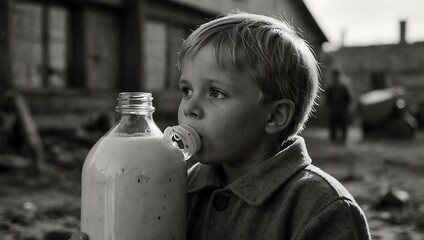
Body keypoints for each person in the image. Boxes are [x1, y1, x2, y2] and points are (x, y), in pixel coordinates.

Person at [71, 11, 370, 240]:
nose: (190, 107)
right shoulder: (177, 183)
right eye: (187, 90)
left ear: (274, 116)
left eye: (215, 92)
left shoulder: (322, 208)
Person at [326, 70, 353, 143]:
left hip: (342, 109)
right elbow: (328, 99)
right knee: (333, 126)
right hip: (334, 109)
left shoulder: (343, 87)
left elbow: (348, 99)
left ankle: (343, 140)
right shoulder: (331, 87)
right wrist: (329, 108)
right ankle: (333, 140)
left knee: (343, 125)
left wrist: (346, 108)